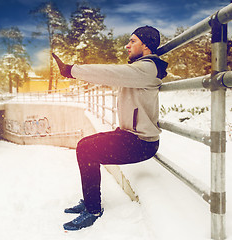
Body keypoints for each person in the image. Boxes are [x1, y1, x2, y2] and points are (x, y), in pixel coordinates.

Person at [53, 26, 168, 231]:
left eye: (132, 41)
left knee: (86, 150)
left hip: (142, 143)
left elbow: (110, 72)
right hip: (131, 135)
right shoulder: (142, 68)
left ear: (147, 45)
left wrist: (73, 70)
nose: (127, 45)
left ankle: (93, 209)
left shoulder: (147, 68)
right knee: (85, 146)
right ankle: (90, 201)